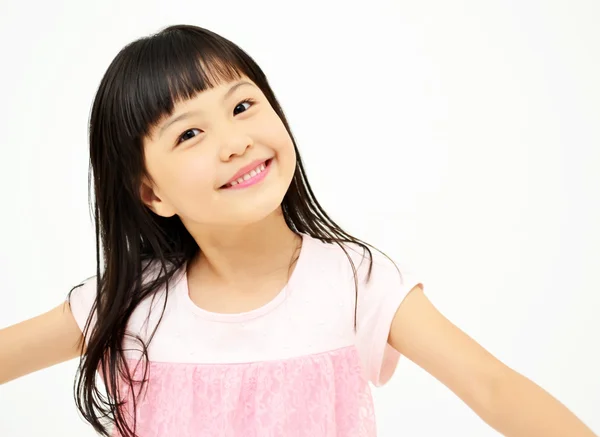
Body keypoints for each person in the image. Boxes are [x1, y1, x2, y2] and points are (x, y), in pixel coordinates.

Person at [0, 24, 596, 437]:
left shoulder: (355, 281)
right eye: (190, 134)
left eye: (242, 106)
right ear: (152, 192)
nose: (236, 142)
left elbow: (493, 387)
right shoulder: (132, 304)